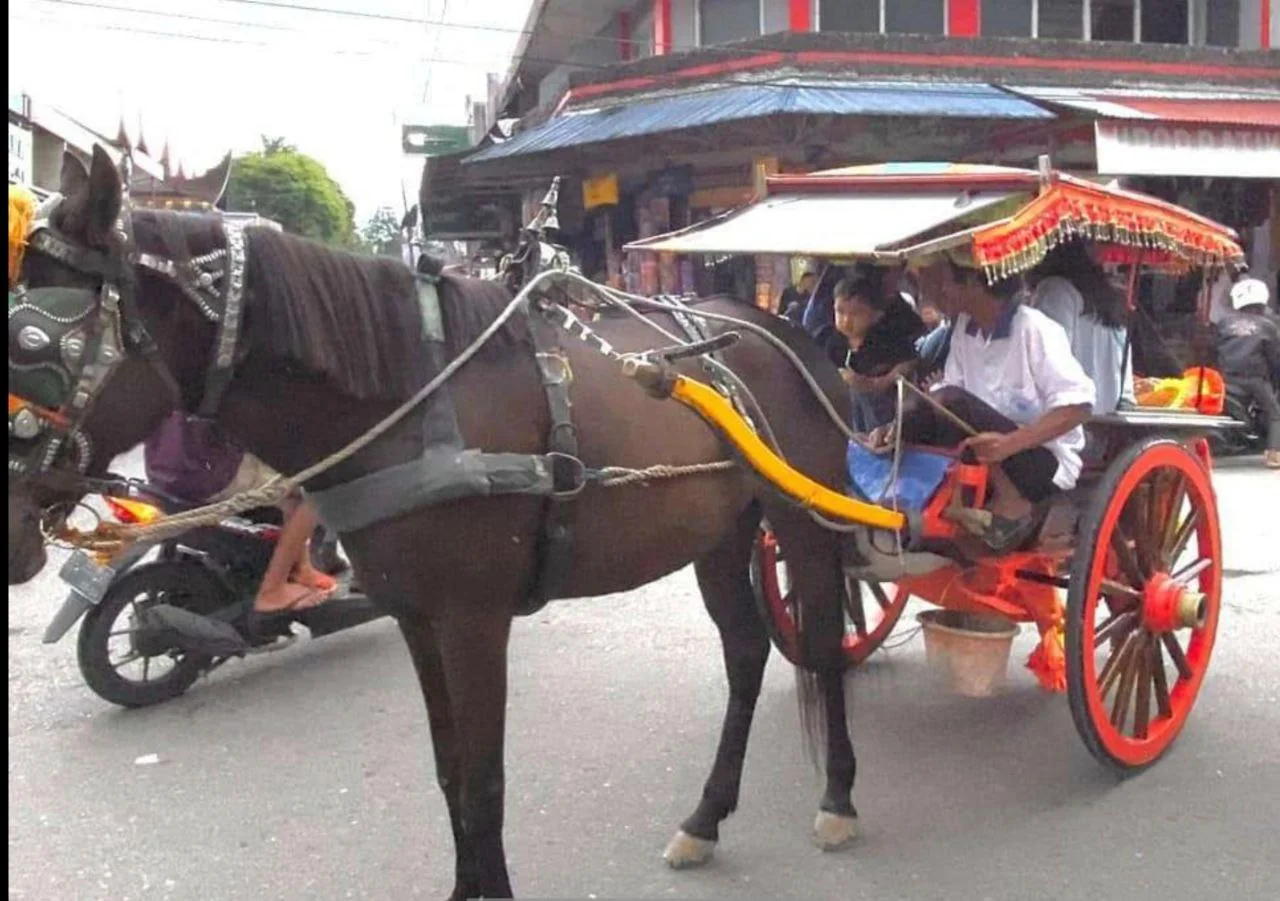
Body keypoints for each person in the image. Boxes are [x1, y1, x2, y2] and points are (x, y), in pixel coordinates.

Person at [871, 257, 1096, 551]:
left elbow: (1079, 406)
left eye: (947, 283)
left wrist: (1010, 444)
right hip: (984, 454)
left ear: (974, 283)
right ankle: (890, 482)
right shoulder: (964, 329)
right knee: (919, 408)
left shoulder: (1035, 329)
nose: (940, 292)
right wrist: (897, 426)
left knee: (950, 400)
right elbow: (945, 399)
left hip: (1040, 463)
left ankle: (1013, 501)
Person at [143, 412, 338, 613]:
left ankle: (299, 567)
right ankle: (275, 589)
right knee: (311, 491)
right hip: (208, 469)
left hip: (163, 470)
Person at [1029, 240, 1136, 414]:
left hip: (1066, 419)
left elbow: (1048, 362)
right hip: (1105, 419)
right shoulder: (1111, 298)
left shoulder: (1056, 291)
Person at [815, 272, 925, 431]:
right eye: (840, 312)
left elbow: (910, 361)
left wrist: (881, 382)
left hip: (882, 411)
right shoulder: (831, 341)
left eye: (856, 314)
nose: (846, 320)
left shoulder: (887, 341)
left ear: (876, 315)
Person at [1216, 278, 1280, 469]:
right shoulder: (1268, 326)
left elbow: (1214, 348)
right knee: (1275, 414)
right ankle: (1274, 454)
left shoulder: (1224, 323)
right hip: (1255, 381)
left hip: (1226, 377)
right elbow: (1274, 358)